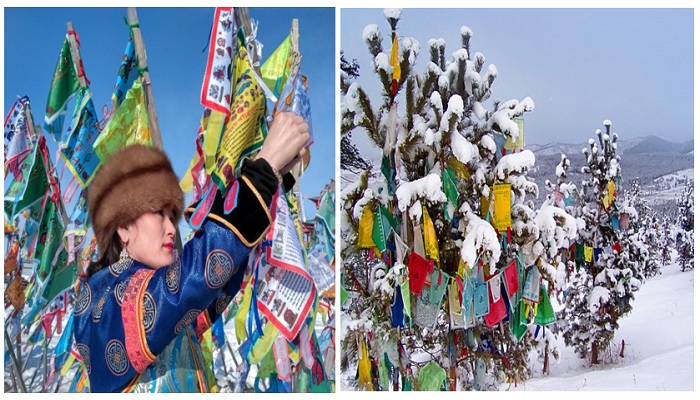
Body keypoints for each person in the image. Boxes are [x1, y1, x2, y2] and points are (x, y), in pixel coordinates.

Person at [72, 112, 309, 392]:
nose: (172, 229)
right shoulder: (103, 302)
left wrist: (275, 180)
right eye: (158, 213)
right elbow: (196, 275)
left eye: (172, 216)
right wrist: (262, 170)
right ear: (122, 228)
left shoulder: (165, 303)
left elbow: (219, 275)